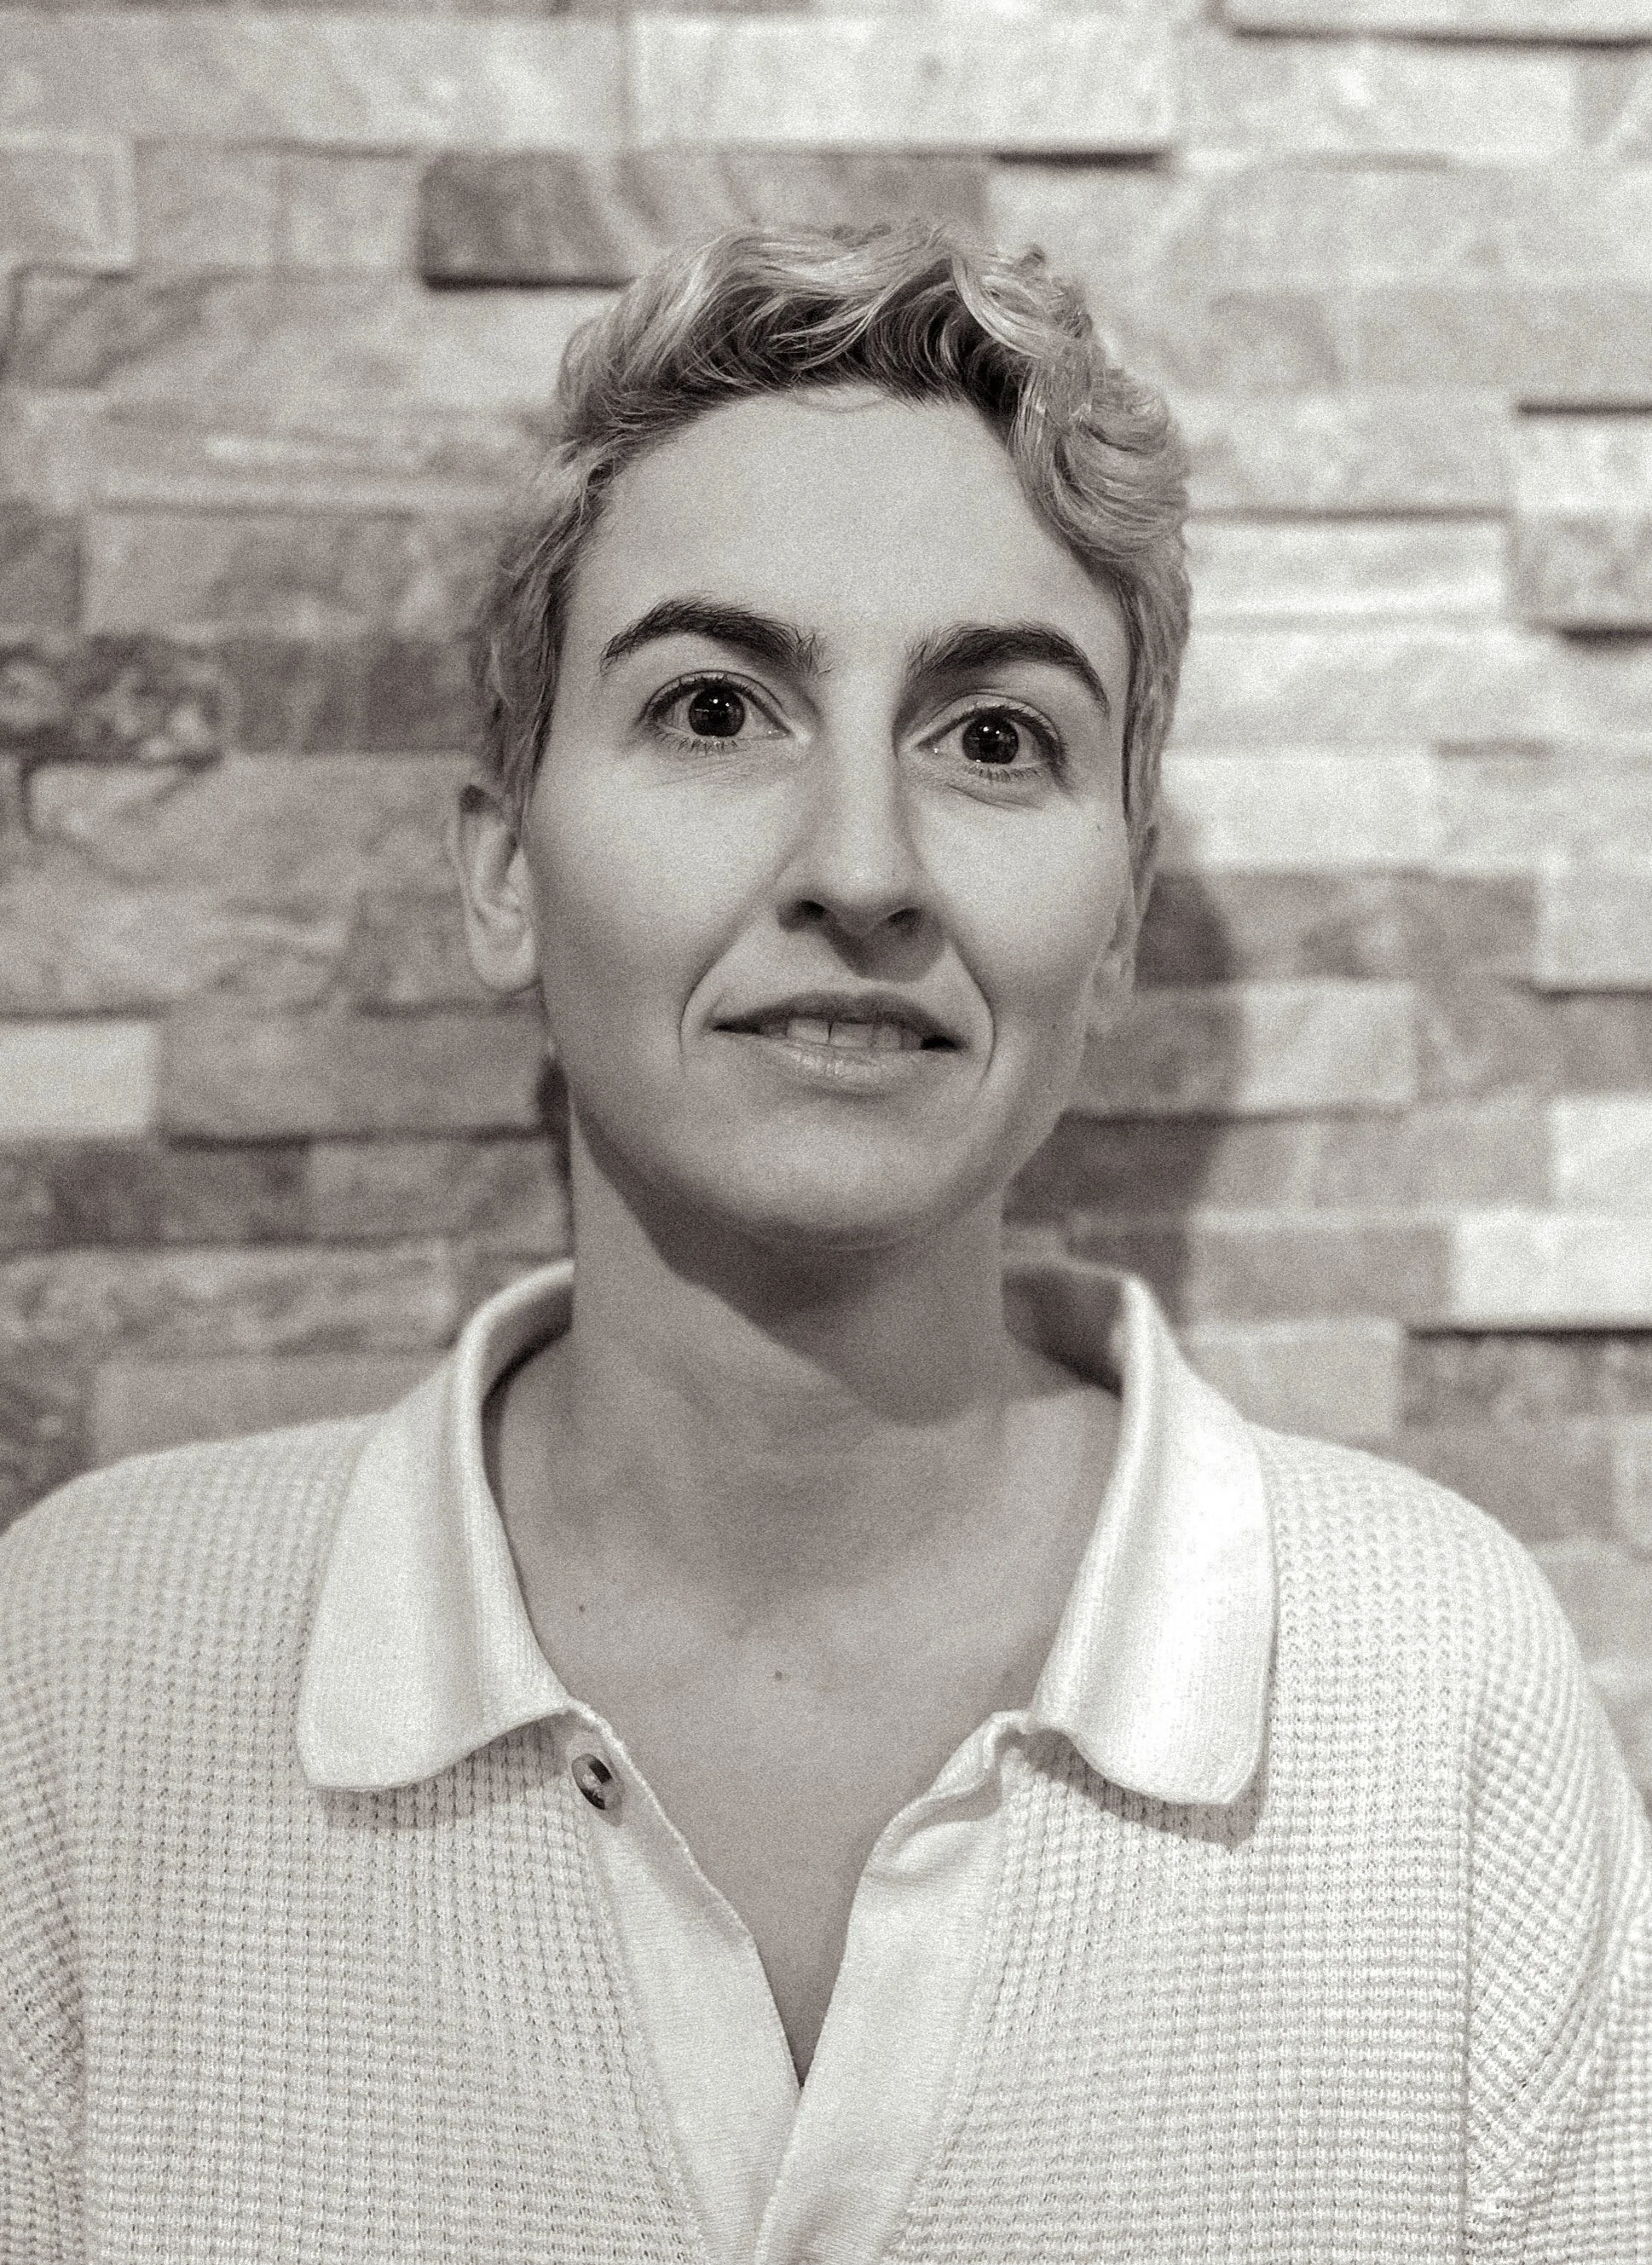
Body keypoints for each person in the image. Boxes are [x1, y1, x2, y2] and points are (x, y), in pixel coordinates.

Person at [1, 225, 1648, 2263]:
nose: (861, 866)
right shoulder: (87, 1674)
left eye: (993, 737)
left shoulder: (1434, 1693)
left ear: (1120, 911)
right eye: (714, 708)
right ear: (504, 868)